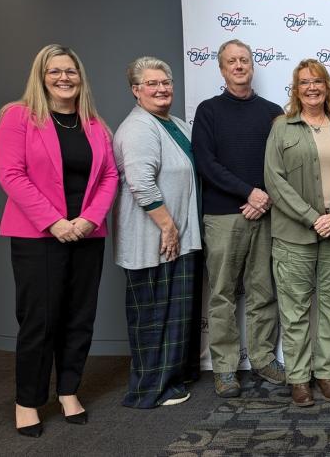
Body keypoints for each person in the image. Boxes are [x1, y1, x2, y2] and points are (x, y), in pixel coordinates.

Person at [0, 44, 118, 437]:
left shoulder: (95, 124)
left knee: (79, 318)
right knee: (39, 321)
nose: (64, 78)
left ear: (81, 77)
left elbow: (110, 176)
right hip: (37, 236)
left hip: (87, 232)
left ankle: (68, 391)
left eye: (71, 71)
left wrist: (87, 219)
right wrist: (54, 222)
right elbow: (11, 174)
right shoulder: (18, 117)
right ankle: (27, 401)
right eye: (55, 71)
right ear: (41, 76)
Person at [264, 59, 330, 407]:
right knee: (294, 311)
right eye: (304, 82)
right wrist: (312, 217)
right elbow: (275, 182)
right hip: (294, 235)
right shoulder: (282, 127)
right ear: (296, 88)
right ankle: (299, 379)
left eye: (318, 81)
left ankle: (327, 374)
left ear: (327, 87)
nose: (311, 87)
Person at [192, 39, 285, 398]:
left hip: (265, 214)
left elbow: (282, 164)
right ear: (221, 68)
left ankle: (263, 359)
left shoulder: (272, 111)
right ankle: (226, 369)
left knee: (264, 291)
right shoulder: (209, 111)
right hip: (223, 217)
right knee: (222, 295)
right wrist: (249, 193)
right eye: (231, 61)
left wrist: (263, 196)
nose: (239, 65)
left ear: (252, 65)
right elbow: (206, 162)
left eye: (244, 60)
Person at [112, 56, 201, 408]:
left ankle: (170, 379)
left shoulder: (173, 122)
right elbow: (141, 184)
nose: (162, 89)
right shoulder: (138, 128)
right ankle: (149, 388)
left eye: (165, 82)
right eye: (152, 83)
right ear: (136, 91)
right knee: (152, 314)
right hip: (153, 240)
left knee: (172, 313)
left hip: (174, 238)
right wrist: (167, 227)